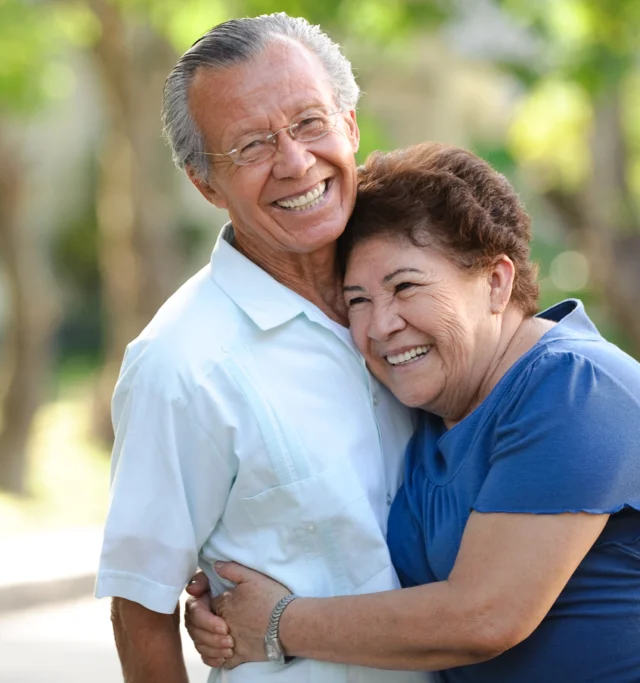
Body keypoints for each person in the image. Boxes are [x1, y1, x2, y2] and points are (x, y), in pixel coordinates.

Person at [184, 142, 640, 682]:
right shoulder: (432, 408)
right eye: (357, 300)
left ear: (497, 281)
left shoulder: (576, 386)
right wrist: (227, 591)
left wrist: (279, 623)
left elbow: (483, 617)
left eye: (405, 287)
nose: (380, 326)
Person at [95, 12, 429, 683]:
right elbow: (140, 605)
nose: (295, 162)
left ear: (351, 126)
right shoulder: (183, 363)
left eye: (310, 122)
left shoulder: (421, 297)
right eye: (250, 146)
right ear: (204, 184)